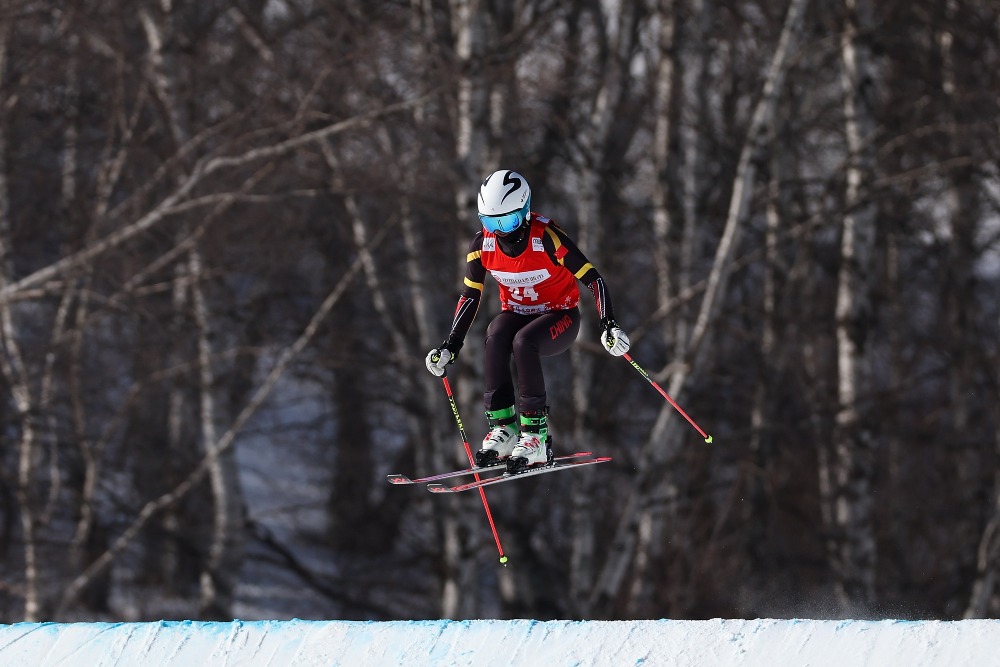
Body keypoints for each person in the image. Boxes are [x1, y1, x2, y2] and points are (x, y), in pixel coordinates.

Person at [425, 170, 630, 474]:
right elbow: (470, 295)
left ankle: (536, 435)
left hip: (559, 316)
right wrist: (451, 345)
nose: (500, 232)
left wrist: (609, 324)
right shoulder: (483, 245)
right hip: (518, 313)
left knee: (524, 342)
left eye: (506, 222)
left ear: (523, 212)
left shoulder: (546, 238)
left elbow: (593, 278)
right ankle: (503, 431)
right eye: (490, 223)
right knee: (495, 335)